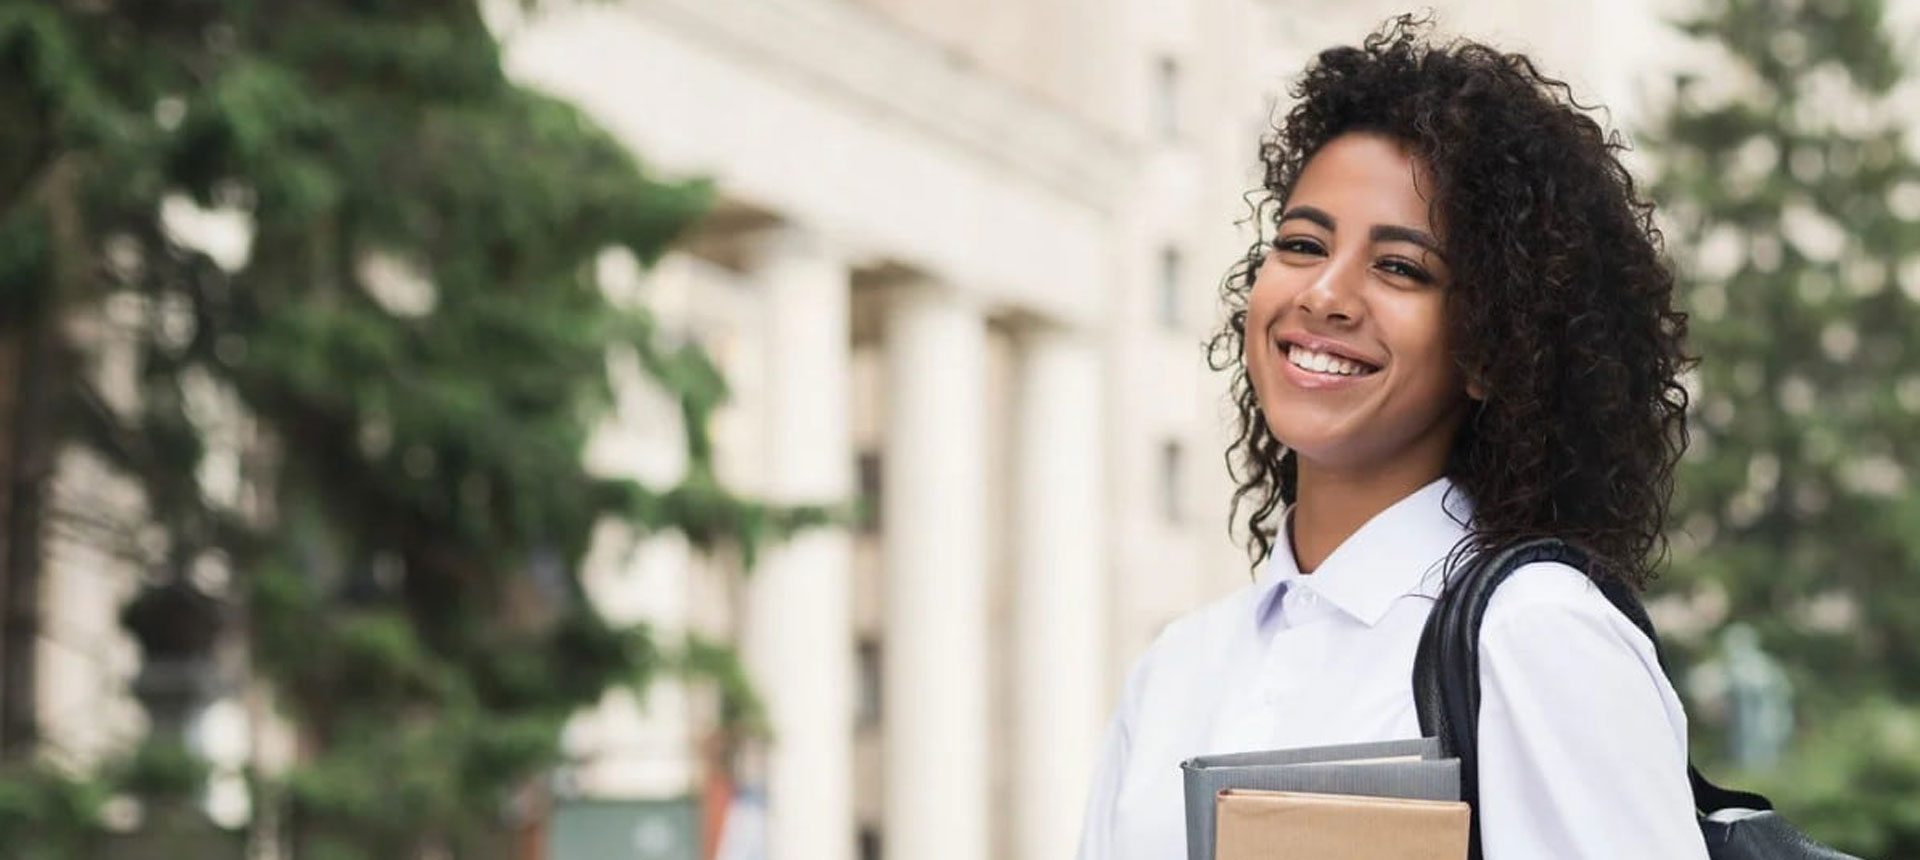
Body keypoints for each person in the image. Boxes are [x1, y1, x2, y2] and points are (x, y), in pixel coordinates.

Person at [1075, 16, 1710, 860]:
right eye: (1303, 244)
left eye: (1401, 267)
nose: (1324, 295)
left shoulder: (1535, 634)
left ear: (1489, 349)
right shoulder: (1177, 669)